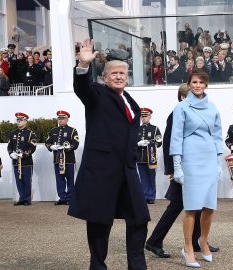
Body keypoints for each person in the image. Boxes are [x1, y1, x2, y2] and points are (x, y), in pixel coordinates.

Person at [68, 38, 150, 270]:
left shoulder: (131, 102)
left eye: (122, 73)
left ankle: (137, 266)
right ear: (104, 77)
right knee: (99, 223)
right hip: (101, 172)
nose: (118, 76)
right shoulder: (96, 94)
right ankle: (97, 266)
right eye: (113, 73)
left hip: (126, 171)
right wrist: (83, 67)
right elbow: (81, 88)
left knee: (139, 218)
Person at [146, 84, 219, 259]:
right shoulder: (176, 114)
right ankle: (154, 241)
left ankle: (196, 242)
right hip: (183, 170)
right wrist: (172, 169)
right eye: (190, 96)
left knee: (197, 204)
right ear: (181, 97)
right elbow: (170, 143)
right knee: (177, 205)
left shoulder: (193, 113)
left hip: (194, 167)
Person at [170, 69, 223, 267]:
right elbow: (176, 137)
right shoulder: (181, 108)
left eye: (201, 82)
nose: (198, 85)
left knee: (209, 207)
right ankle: (188, 248)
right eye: (194, 82)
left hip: (209, 158)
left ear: (206, 85)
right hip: (190, 159)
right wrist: (177, 166)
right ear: (189, 84)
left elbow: (217, 136)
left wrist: (218, 161)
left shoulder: (213, 108)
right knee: (191, 207)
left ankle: (203, 241)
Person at [45, 110, 79, 205]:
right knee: (59, 180)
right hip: (57, 160)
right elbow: (47, 142)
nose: (60, 120)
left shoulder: (72, 130)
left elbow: (76, 144)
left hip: (68, 160)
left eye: (62, 118)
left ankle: (70, 198)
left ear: (67, 119)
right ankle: (62, 198)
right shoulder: (53, 131)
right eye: (59, 118)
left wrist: (68, 147)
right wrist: (51, 147)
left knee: (70, 179)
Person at [7, 112, 37, 206]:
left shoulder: (30, 133)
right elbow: (9, 146)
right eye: (17, 120)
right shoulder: (12, 133)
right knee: (18, 180)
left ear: (25, 121)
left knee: (27, 180)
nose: (18, 122)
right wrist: (11, 154)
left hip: (26, 161)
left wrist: (24, 154)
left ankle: (27, 199)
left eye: (20, 120)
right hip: (16, 161)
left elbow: (33, 147)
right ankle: (22, 198)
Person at [136, 107, 162, 204]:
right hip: (140, 157)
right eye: (142, 117)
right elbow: (131, 142)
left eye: (145, 116)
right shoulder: (137, 128)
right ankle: (144, 196)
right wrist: (138, 143)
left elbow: (159, 142)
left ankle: (151, 197)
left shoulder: (155, 129)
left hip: (151, 158)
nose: (143, 118)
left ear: (150, 116)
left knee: (151, 177)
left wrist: (151, 143)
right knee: (142, 178)